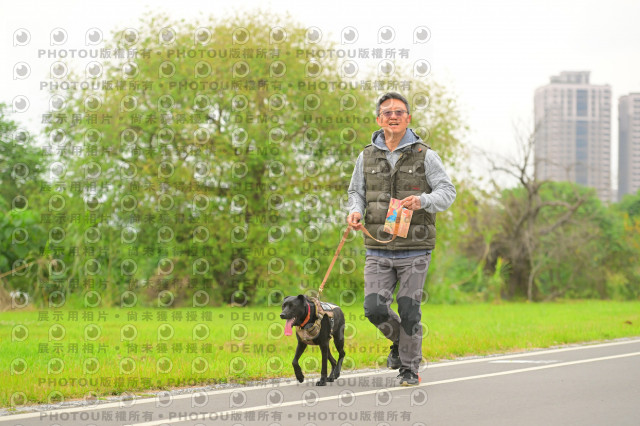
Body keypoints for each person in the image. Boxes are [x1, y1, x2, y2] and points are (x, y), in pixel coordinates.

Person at [346, 92, 456, 386]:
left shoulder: (425, 155)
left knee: (409, 310)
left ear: (408, 118)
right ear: (378, 119)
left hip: (415, 248)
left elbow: (447, 192)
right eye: (387, 112)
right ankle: (399, 342)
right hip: (377, 247)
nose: (392, 116)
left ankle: (409, 368)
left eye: (398, 112)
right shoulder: (366, 156)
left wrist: (423, 201)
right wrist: (355, 211)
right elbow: (356, 192)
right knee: (373, 308)